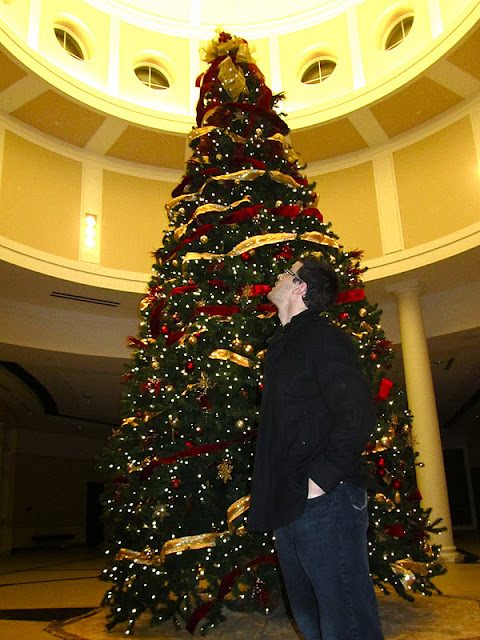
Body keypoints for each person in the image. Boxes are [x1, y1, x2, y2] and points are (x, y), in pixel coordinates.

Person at [248, 255, 385, 640]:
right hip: (292, 501)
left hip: (326, 500)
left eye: (285, 273)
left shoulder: (323, 338)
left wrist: (319, 482)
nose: (276, 277)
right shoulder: (283, 345)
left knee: (346, 621)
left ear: (300, 286)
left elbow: (357, 414)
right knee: (309, 616)